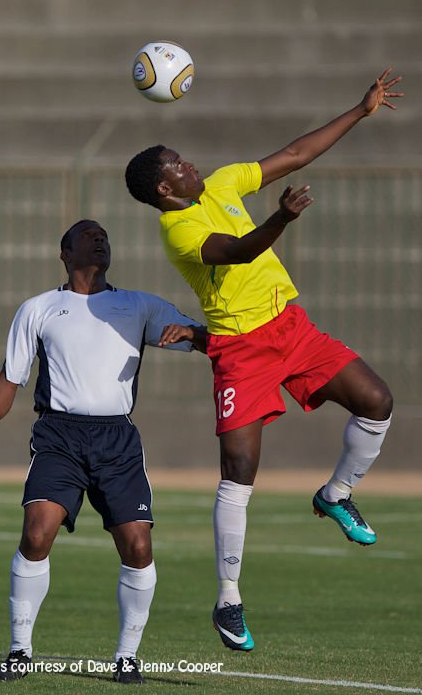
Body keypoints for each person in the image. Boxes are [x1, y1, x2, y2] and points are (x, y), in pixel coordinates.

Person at [124, 68, 403, 652]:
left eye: (183, 157)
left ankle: (335, 494)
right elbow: (236, 252)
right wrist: (281, 219)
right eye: (177, 165)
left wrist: (359, 109)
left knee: (377, 401)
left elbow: (297, 152)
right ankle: (228, 598)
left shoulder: (223, 184)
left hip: (291, 329)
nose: (189, 165)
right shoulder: (177, 229)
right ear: (163, 191)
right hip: (241, 351)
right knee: (239, 470)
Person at [0, 219, 206, 684]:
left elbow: (200, 337)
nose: (100, 239)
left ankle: (127, 658)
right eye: (88, 234)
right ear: (65, 253)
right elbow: (10, 377)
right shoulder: (39, 309)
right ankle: (19, 651)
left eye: (105, 236)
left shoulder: (138, 304)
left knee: (138, 545)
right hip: (59, 436)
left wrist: (195, 337)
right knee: (37, 534)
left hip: (117, 440)